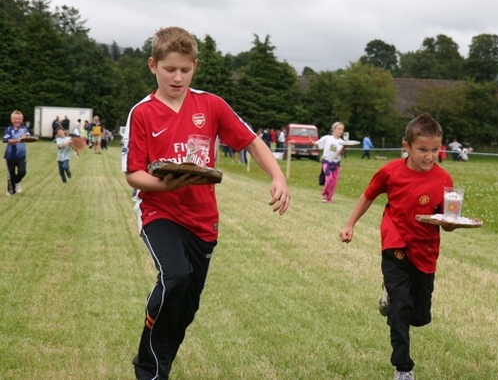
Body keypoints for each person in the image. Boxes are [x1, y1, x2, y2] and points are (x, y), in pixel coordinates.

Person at [121, 26, 291, 380]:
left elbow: (251, 141)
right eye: (170, 69)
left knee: (186, 307)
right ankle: (148, 369)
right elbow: (133, 174)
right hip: (159, 212)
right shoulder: (142, 113)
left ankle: (158, 363)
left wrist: (278, 176)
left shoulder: (211, 105)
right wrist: (166, 186)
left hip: (203, 220)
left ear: (194, 67)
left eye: (185, 69)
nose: (178, 77)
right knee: (175, 276)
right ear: (153, 65)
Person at [339, 113, 461, 380]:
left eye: (435, 150)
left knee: (419, 316)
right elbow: (368, 196)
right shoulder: (390, 172)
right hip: (395, 244)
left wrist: (451, 224)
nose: (430, 156)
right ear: (405, 146)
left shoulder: (443, 178)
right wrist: (350, 224)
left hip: (425, 250)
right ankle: (403, 368)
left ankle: (390, 300)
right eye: (422, 150)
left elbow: (446, 218)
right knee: (401, 307)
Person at [310, 121, 345, 203]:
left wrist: (344, 147)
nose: (340, 131)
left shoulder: (341, 142)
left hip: (336, 164)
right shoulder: (327, 138)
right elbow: (317, 144)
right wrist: (311, 141)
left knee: (334, 181)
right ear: (334, 129)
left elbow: (339, 153)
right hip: (326, 162)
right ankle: (324, 192)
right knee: (329, 178)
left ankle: (329, 197)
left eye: (342, 130)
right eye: (339, 129)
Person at [3, 110, 30, 196]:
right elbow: (7, 140)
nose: (17, 121)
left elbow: (28, 136)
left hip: (21, 155)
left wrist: (26, 137)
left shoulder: (24, 128)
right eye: (15, 119)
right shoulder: (8, 129)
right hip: (10, 155)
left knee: (22, 171)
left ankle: (17, 182)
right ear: (12, 120)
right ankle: (11, 190)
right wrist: (19, 139)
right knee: (10, 174)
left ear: (22, 120)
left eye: (19, 119)